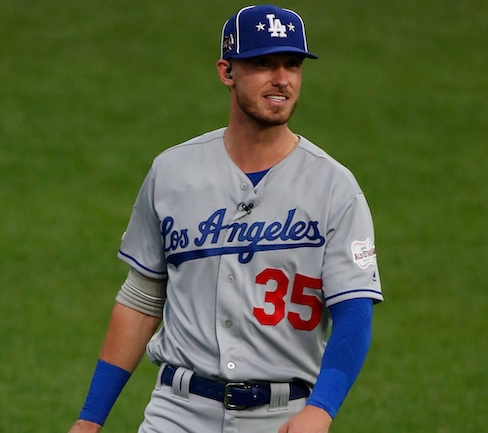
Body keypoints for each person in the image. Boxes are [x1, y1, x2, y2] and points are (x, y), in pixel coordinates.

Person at [67, 4, 383, 433]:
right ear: (226, 71)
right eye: (262, 64)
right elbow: (142, 299)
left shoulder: (335, 188)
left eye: (292, 64)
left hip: (281, 417)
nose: (281, 79)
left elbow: (354, 311)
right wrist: (90, 419)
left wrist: (320, 409)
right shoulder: (172, 173)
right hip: (176, 414)